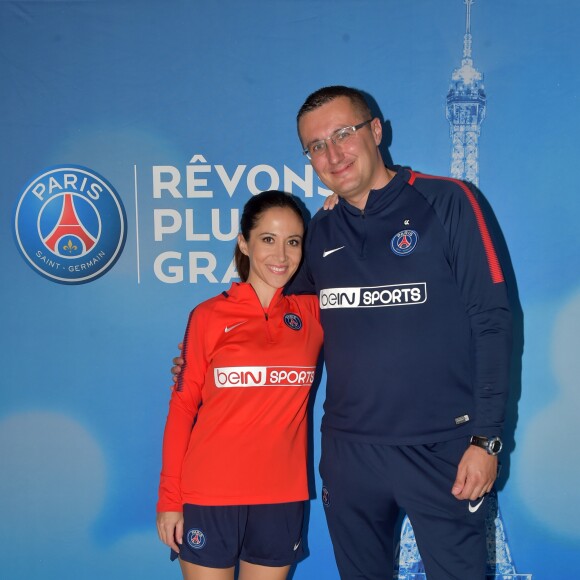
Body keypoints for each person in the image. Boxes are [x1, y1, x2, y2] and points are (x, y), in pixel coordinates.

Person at [173, 86, 512, 580]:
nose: (332, 154)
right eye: (315, 145)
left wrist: (487, 439)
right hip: (350, 457)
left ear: (376, 130)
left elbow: (492, 322)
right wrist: (201, 356)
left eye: (343, 134)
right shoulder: (320, 234)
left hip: (443, 448)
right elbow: (273, 315)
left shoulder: (448, 201)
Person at [157, 190, 323, 580]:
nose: (281, 255)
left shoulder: (315, 313)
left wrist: (341, 212)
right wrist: (169, 499)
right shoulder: (208, 316)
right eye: (268, 239)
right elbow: (182, 408)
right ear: (244, 242)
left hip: (281, 498)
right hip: (208, 495)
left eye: (293, 241)